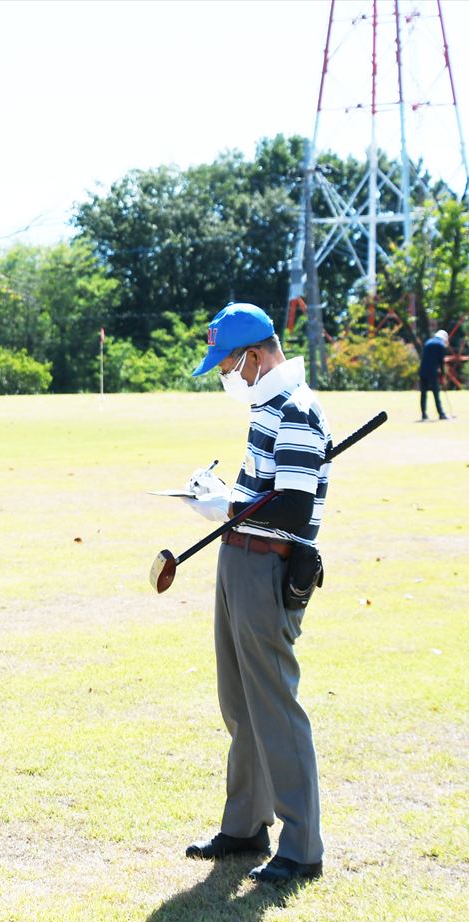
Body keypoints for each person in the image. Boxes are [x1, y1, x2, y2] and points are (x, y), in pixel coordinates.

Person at [181, 302, 330, 886]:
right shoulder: (270, 405)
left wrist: (228, 507)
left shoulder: (295, 408)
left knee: (274, 706)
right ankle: (245, 826)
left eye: (228, 363)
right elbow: (268, 491)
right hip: (239, 560)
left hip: (268, 569)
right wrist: (222, 496)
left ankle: (302, 846)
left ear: (255, 355)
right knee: (240, 701)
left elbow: (293, 508)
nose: (226, 375)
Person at [419, 329, 449, 421]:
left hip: (423, 371)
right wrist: (443, 374)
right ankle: (441, 414)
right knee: (436, 394)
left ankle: (424, 414)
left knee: (423, 393)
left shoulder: (428, 342)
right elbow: (441, 362)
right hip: (433, 372)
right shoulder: (441, 345)